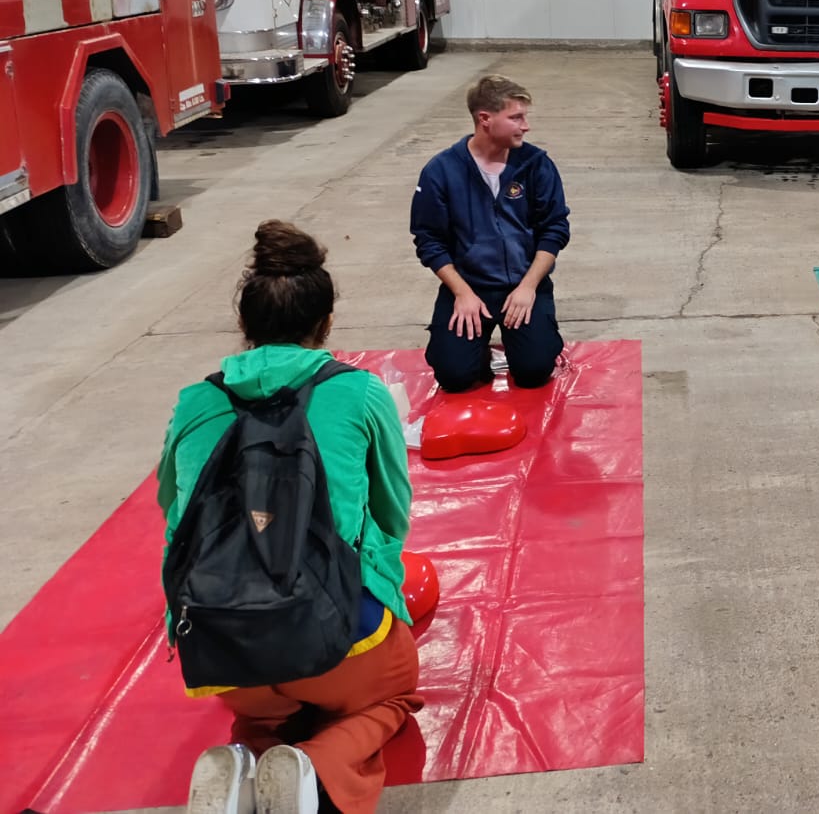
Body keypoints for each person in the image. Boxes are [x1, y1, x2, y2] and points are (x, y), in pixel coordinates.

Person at [160, 221, 419, 814]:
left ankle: (246, 757)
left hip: (220, 643)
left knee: (265, 708)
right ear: (325, 323)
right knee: (391, 697)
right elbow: (391, 515)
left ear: (244, 323)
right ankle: (316, 767)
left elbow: (174, 518)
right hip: (338, 641)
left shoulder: (195, 401)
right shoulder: (359, 392)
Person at [411, 74, 570, 391]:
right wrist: (461, 292)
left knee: (534, 371)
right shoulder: (441, 171)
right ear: (485, 119)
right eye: (516, 118)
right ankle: (476, 350)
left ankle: (527, 339)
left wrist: (528, 287)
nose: (526, 126)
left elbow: (555, 229)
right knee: (454, 377)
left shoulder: (536, 165)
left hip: (523, 284)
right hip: (469, 287)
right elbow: (429, 240)